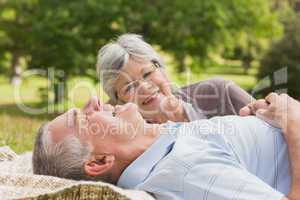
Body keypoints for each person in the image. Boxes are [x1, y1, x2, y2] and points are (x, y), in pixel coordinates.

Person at [33, 96, 299, 200]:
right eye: (82, 117)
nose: (93, 101)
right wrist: (293, 121)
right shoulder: (182, 170)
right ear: (99, 161)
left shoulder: (167, 141)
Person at [96, 34, 253, 123]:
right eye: (129, 87)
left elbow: (273, 126)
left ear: (161, 69)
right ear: (120, 102)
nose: (144, 87)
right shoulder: (130, 142)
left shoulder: (221, 92)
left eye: (147, 74)